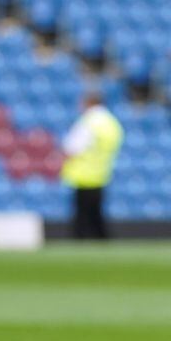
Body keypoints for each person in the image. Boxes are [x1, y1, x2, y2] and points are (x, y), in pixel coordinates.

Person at [60, 93, 123, 239]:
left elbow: (71, 147)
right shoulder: (111, 123)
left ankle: (81, 240)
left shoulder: (88, 122)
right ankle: (102, 241)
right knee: (97, 213)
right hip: (102, 173)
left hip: (83, 174)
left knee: (82, 215)